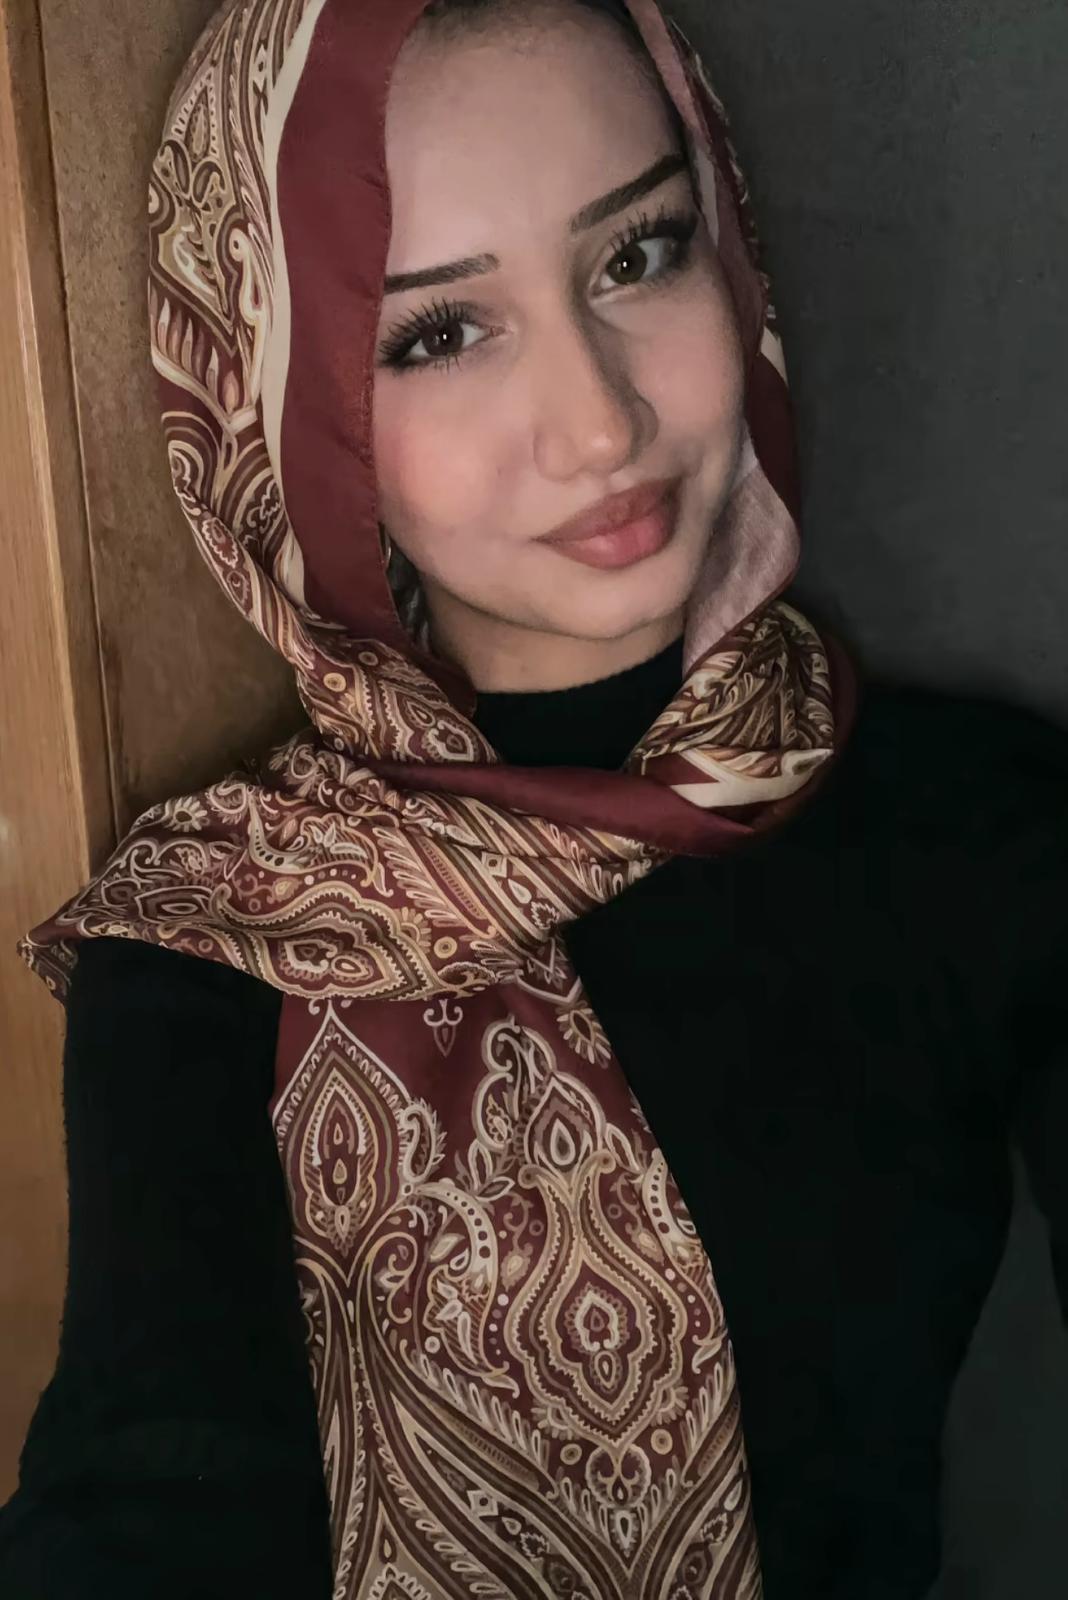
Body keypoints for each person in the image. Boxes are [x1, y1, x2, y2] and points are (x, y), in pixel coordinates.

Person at [0, 0, 1064, 1595]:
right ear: (283, 408)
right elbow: (144, 1506)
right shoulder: (210, 943)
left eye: (639, 253)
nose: (602, 423)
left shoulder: (978, 832)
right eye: (440, 332)